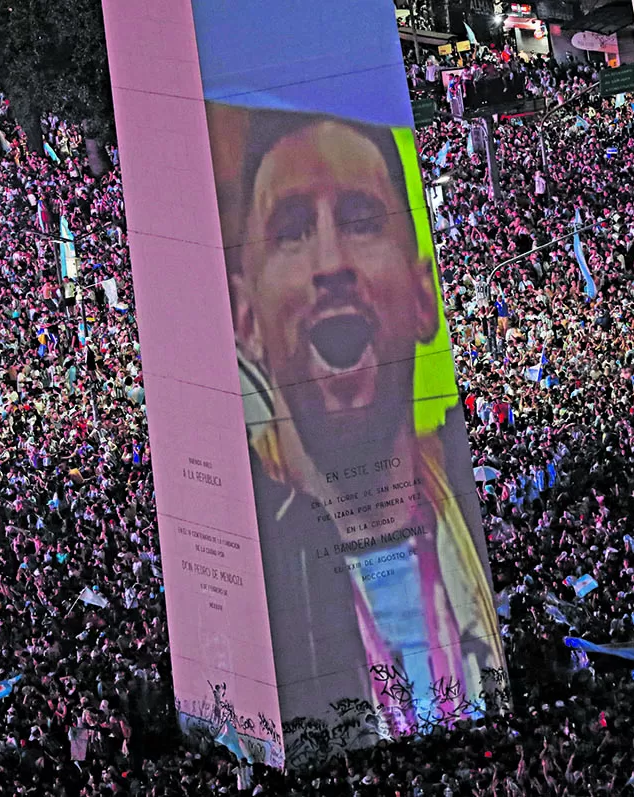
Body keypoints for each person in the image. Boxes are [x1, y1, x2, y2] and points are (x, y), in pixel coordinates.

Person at [213, 106, 505, 737]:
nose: (331, 263)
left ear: (424, 294)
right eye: (291, 231)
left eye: (362, 221)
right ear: (246, 319)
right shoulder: (256, 575)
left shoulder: (467, 497)